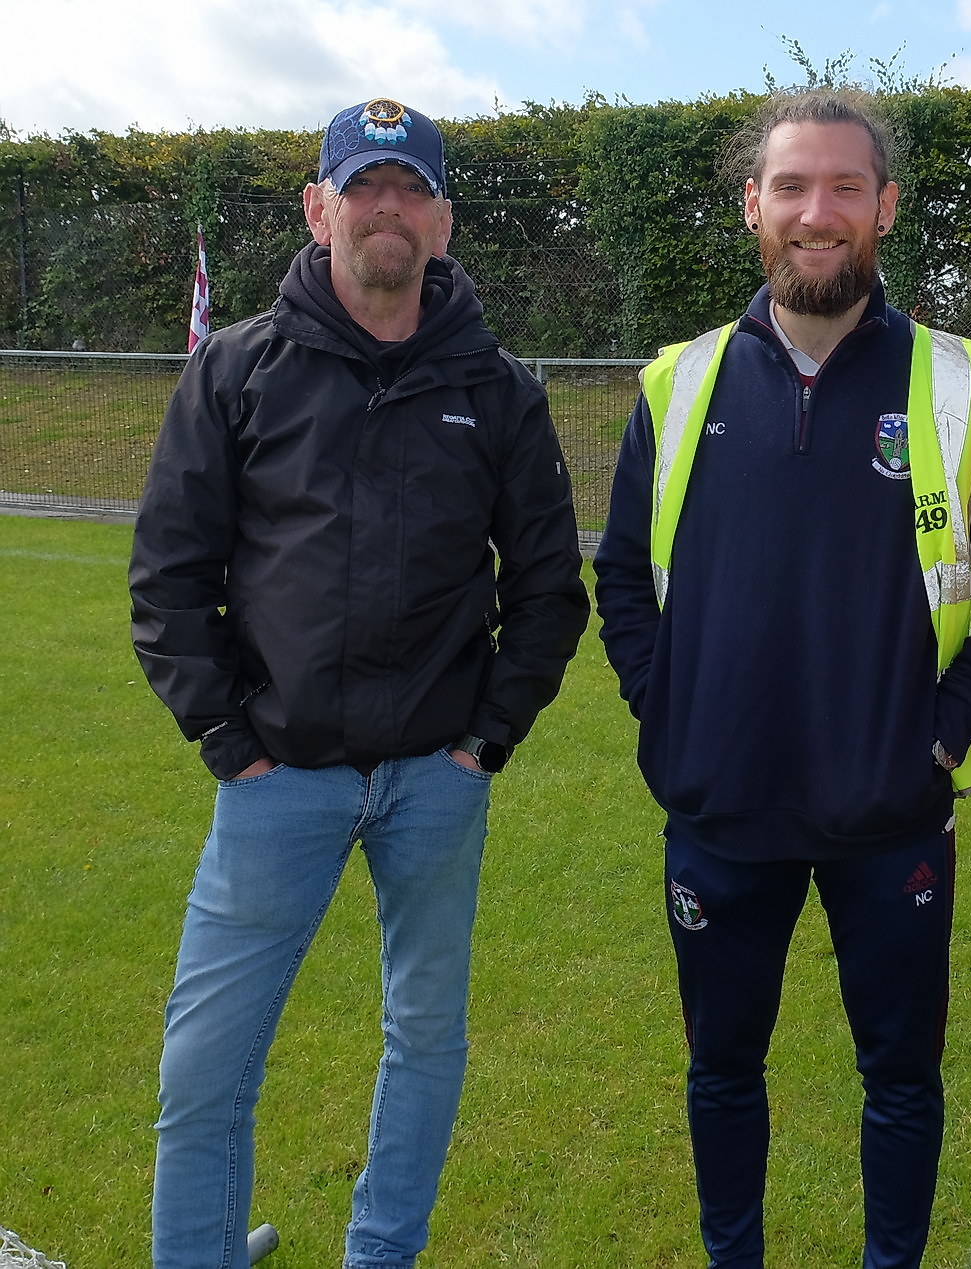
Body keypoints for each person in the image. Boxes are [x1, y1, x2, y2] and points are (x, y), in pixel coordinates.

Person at [592, 91, 971, 1269]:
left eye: (845, 187)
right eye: (792, 187)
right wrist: (676, 720)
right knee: (721, 1072)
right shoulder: (676, 385)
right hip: (717, 815)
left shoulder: (963, 388)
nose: (819, 213)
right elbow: (618, 584)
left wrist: (942, 736)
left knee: (900, 1078)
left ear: (885, 207)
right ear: (753, 205)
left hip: (890, 817)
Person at [129, 97, 589, 1269]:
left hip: (437, 782)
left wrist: (487, 738)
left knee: (424, 1039)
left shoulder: (494, 389)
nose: (387, 208)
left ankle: (381, 1256)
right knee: (205, 1064)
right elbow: (172, 576)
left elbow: (547, 588)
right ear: (319, 205)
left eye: (411, 189)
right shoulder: (238, 368)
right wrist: (231, 739)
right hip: (278, 780)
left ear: (440, 220)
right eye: (365, 184)